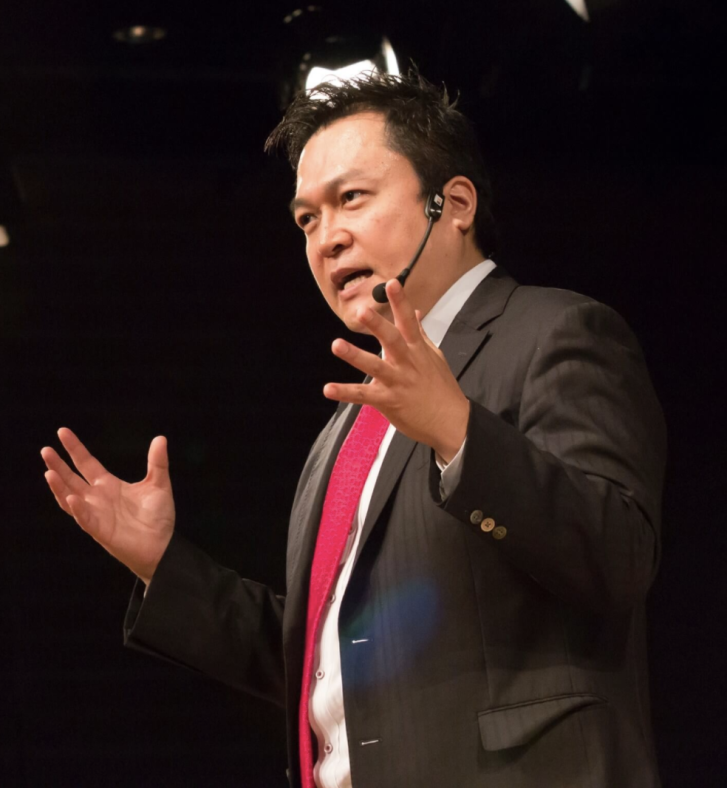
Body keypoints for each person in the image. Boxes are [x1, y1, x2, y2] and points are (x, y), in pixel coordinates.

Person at [41, 72, 666, 788]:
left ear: (454, 204)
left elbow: (619, 555)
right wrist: (162, 565)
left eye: (352, 199)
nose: (328, 238)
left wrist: (459, 433)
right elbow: (333, 665)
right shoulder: (347, 426)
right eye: (306, 219)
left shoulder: (555, 332)